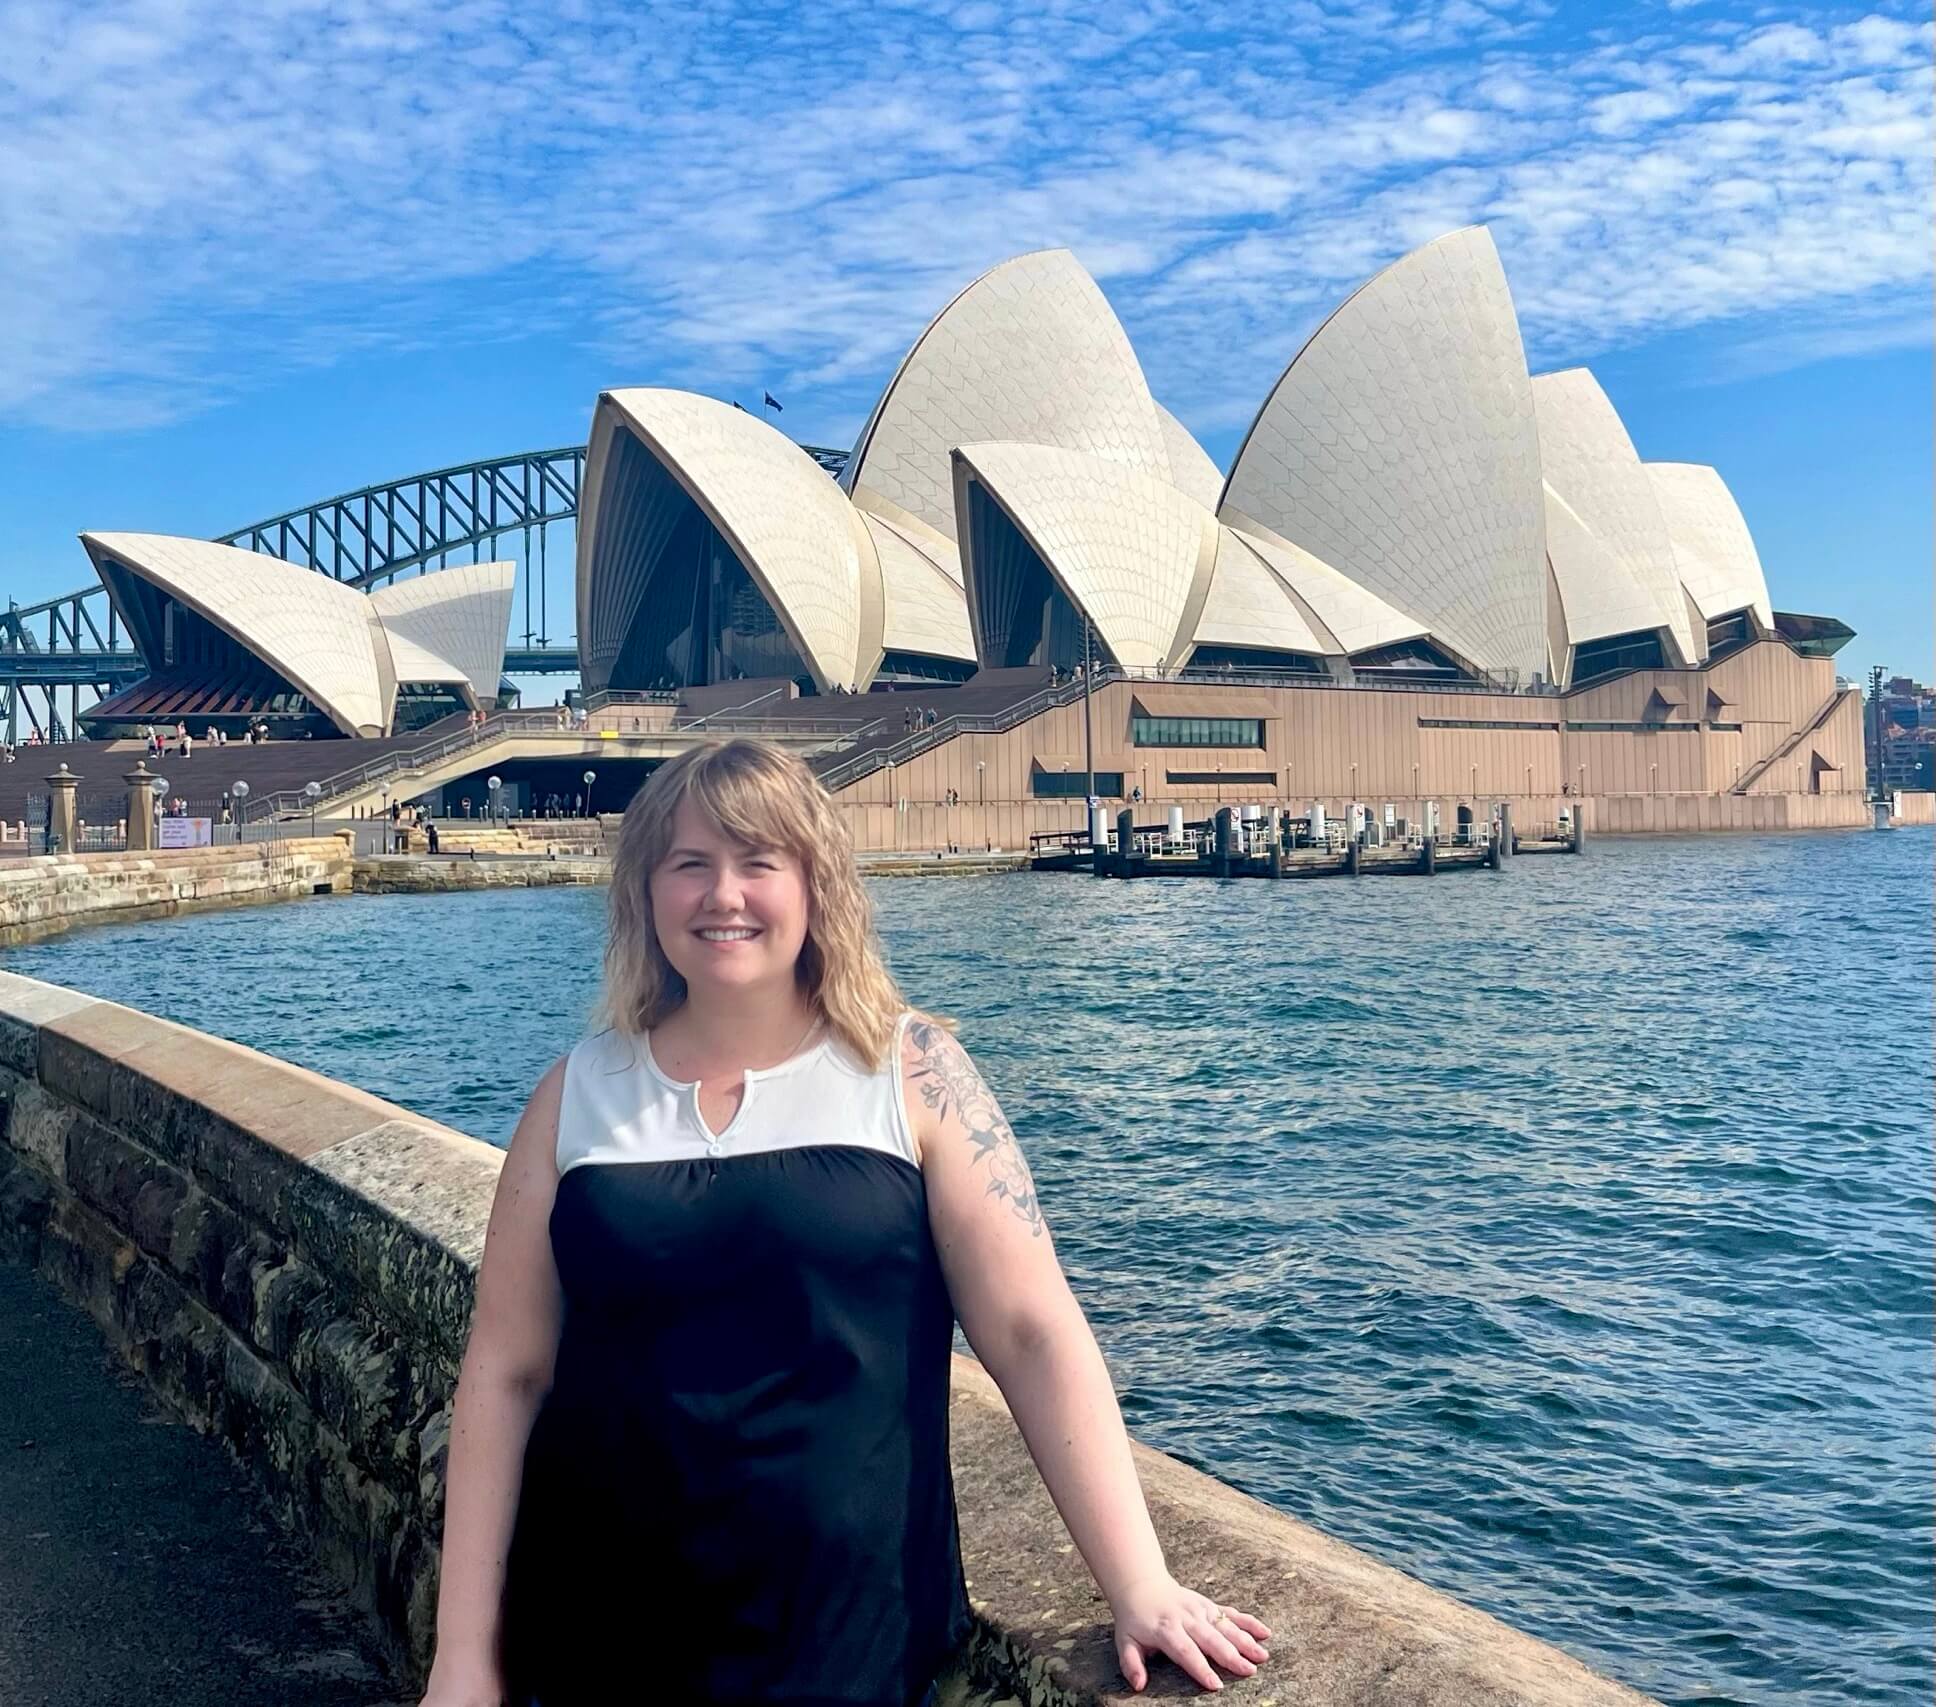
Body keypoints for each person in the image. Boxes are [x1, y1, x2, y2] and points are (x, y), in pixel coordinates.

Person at [419, 740, 1270, 1707]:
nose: (723, 895)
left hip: (851, 1641)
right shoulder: (576, 1096)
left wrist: (1140, 1581)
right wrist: (463, 1656)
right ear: (645, 893)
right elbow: (504, 1372)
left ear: (817, 886)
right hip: (599, 1634)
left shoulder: (910, 1073)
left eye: (758, 863)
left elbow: (1033, 1332)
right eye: (689, 863)